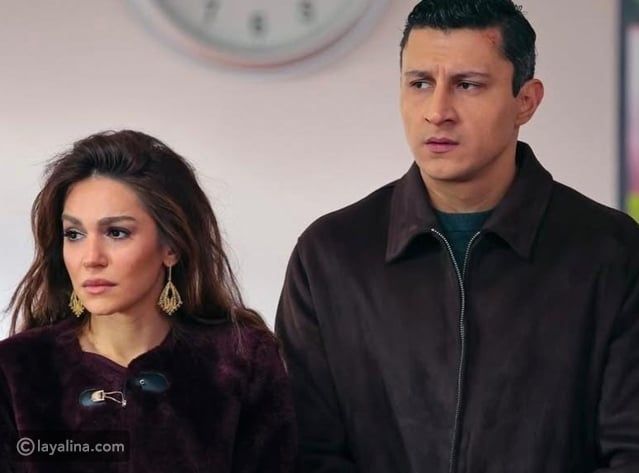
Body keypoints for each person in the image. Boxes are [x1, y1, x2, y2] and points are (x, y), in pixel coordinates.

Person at [275, 0, 639, 472]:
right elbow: (305, 451)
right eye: (420, 83)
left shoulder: (611, 251)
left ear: (525, 101)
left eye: (468, 85)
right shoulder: (330, 255)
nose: (437, 111)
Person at [0, 130, 297, 472]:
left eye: (117, 232)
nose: (91, 258)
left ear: (171, 247)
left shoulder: (241, 360)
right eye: (74, 234)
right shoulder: (16, 369)